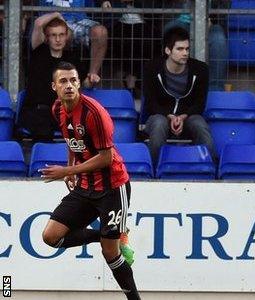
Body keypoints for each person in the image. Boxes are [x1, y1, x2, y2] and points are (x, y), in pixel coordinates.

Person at [40, 61, 140, 300]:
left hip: (113, 187)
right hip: (85, 185)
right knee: (51, 237)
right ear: (54, 86)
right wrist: (72, 167)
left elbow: (106, 158)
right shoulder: (57, 109)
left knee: (111, 255)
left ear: (79, 83)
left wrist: (65, 172)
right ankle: (111, 234)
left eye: (73, 80)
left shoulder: (94, 113)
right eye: (63, 81)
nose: (69, 86)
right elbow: (72, 140)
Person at [143, 26, 214, 164]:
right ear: (168, 50)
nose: (185, 53)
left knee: (200, 125)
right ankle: (154, 169)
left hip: (188, 117)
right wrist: (169, 116)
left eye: (187, 49)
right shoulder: (152, 68)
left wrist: (182, 117)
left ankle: (210, 168)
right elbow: (150, 103)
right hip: (160, 116)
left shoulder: (200, 70)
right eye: (180, 49)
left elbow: (199, 104)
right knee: (159, 123)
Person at [18, 16, 87, 141]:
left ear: (67, 36)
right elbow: (39, 23)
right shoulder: (38, 53)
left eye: (61, 35)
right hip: (39, 111)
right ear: (47, 38)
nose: (58, 39)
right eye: (53, 35)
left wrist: (92, 79)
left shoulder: (72, 59)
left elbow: (84, 82)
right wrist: (57, 14)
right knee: (43, 129)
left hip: (64, 111)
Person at [36, 0, 110, 86]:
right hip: (53, 20)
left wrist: (104, 1)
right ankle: (59, 77)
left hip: (79, 20)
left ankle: (91, 77)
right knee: (66, 34)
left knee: (100, 32)